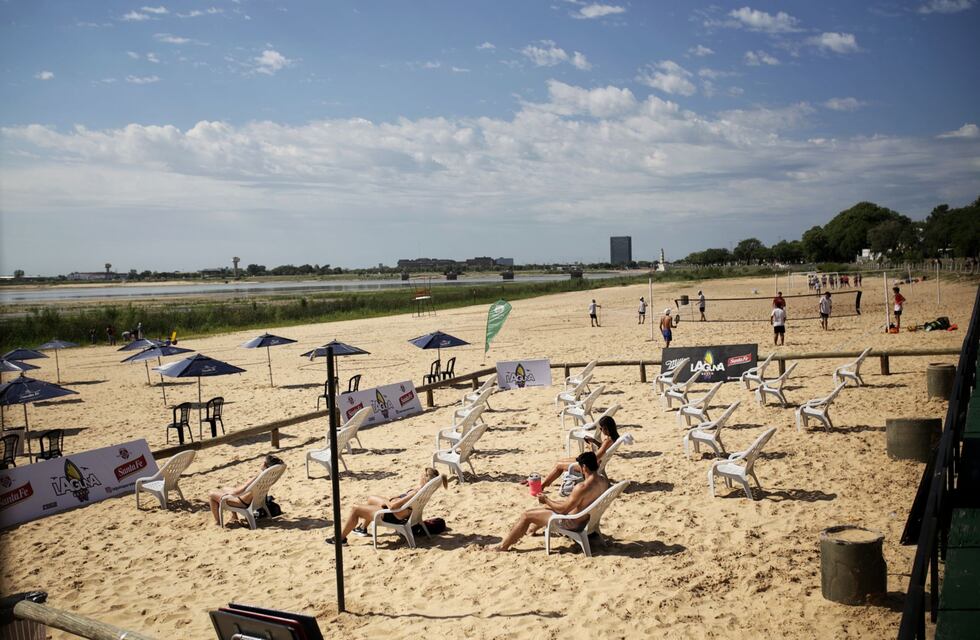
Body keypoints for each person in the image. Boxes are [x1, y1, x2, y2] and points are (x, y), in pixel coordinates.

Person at [494, 451, 609, 552]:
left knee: (526, 515)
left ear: (584, 467)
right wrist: (549, 503)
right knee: (549, 506)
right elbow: (578, 504)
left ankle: (503, 546)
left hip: (572, 523)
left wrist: (546, 500)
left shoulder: (582, 487)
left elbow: (563, 510)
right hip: (587, 520)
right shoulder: (603, 481)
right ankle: (532, 530)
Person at [326, 467, 447, 545]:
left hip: (393, 515)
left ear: (424, 478)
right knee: (371, 498)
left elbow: (393, 507)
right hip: (402, 513)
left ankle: (341, 539)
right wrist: (392, 500)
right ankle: (362, 528)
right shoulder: (423, 490)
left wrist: (388, 502)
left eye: (421, 475)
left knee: (355, 509)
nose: (420, 476)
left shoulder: (415, 492)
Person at [533, 416, 620, 490]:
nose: (601, 430)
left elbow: (595, 458)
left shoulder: (607, 441)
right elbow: (603, 449)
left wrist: (590, 447)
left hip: (589, 466)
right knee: (559, 461)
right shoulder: (613, 438)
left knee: (558, 465)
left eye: (601, 428)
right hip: (591, 462)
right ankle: (546, 483)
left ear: (607, 428)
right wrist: (594, 441)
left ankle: (542, 486)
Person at [209, 455, 285, 526]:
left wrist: (231, 492)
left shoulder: (258, 477)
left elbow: (236, 492)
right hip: (257, 501)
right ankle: (234, 517)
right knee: (225, 488)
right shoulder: (267, 478)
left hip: (241, 503)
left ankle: (217, 522)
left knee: (211, 494)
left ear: (265, 464)